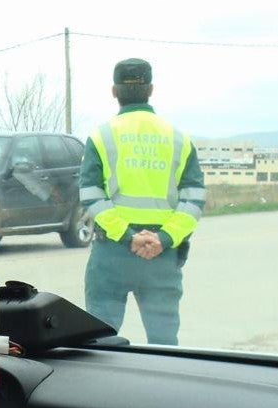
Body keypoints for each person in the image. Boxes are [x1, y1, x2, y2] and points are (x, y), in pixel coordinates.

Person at [79, 58, 206, 345]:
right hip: (161, 256)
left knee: (100, 342)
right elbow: (194, 199)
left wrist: (128, 237)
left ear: (114, 91)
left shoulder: (101, 136)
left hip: (112, 253)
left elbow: (90, 195)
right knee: (164, 343)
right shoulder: (178, 139)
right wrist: (162, 238)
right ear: (151, 89)